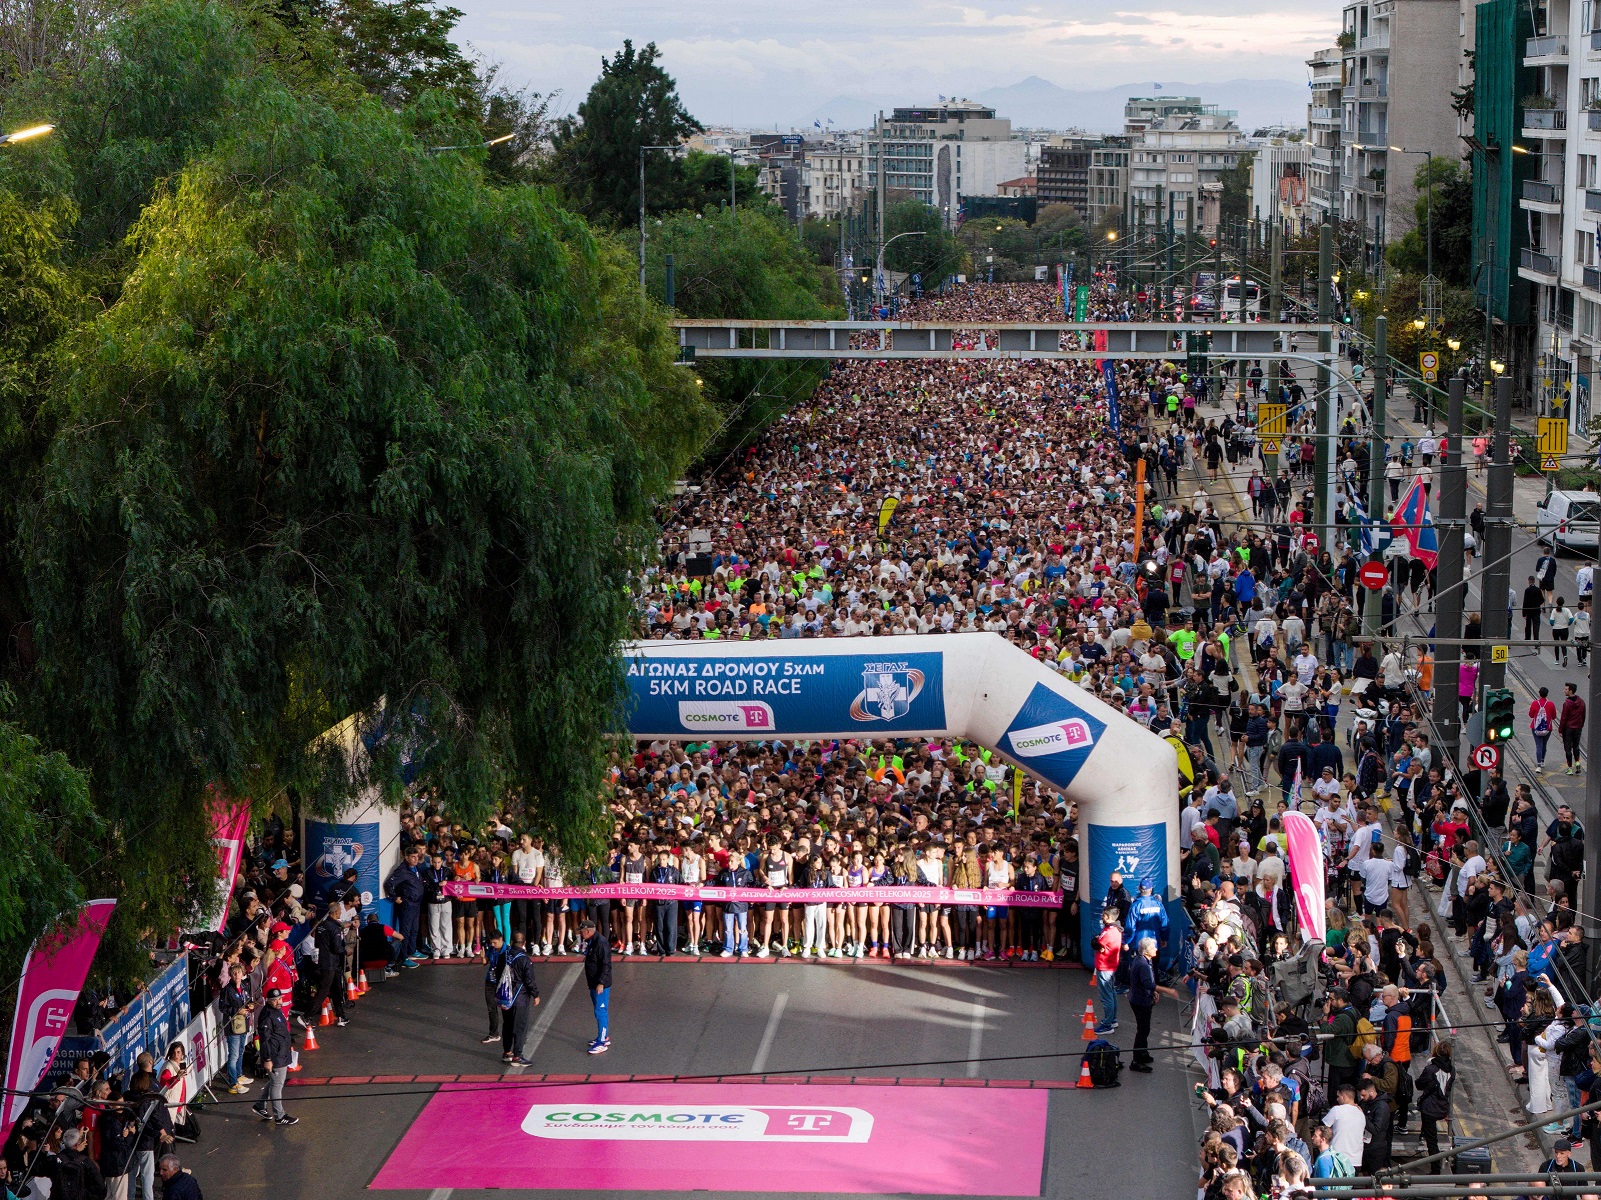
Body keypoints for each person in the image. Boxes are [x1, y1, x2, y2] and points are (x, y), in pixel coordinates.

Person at [1126, 935, 1179, 1072]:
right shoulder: (1142, 964)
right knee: (1143, 1030)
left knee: (1145, 1028)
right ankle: (1136, 1060)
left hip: (1142, 998)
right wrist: (1167, 990)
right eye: (1153, 947)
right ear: (1145, 951)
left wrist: (1154, 992)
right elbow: (1148, 983)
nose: (1156, 949)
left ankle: (1143, 1053)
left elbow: (1148, 981)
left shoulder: (1145, 960)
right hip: (1140, 1001)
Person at [492, 931, 540, 1065]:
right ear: (524, 943)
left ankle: (507, 1052)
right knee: (520, 1027)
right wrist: (535, 994)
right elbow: (529, 980)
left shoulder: (504, 955)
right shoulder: (524, 959)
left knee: (507, 1024)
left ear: (511, 942)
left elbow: (497, 973)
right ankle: (517, 1056)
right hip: (520, 998)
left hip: (505, 996)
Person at [251, 988, 297, 1126]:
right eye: (275, 1000)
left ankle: (260, 1105)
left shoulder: (276, 1011)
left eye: (280, 999)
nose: (279, 1002)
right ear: (268, 1001)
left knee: (274, 1081)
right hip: (275, 1056)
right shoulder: (267, 1016)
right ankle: (279, 1116)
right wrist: (267, 1059)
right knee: (277, 1084)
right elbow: (264, 1040)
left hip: (281, 1053)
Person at [1414, 1039, 1455, 1173]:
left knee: (1432, 1142)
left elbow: (1419, 1084)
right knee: (1430, 1133)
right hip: (1443, 1107)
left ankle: (1435, 1169)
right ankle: (1422, 1134)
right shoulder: (1451, 1070)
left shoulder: (1431, 1069)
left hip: (1430, 1108)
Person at [581, 916, 612, 1054]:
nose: (580, 933)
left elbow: (606, 965)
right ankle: (602, 1035)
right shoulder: (592, 941)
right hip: (594, 984)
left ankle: (602, 1041)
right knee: (598, 1011)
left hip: (600, 986)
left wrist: (601, 983)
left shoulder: (601, 943)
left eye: (582, 931)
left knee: (600, 1012)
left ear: (588, 931)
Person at [1092, 905, 1122, 1034]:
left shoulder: (1108, 933)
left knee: (1106, 996)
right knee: (1111, 993)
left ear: (1109, 917)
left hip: (1105, 967)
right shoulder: (1115, 929)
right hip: (1110, 966)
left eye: (1104, 915)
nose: (1102, 917)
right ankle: (1113, 1019)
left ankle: (1107, 1024)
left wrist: (1096, 941)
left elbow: (1096, 943)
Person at [1560, 681, 1586, 774]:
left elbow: (1564, 717)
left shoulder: (1567, 703)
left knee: (1568, 748)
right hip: (1578, 727)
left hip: (1568, 728)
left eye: (1566, 689)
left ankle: (1570, 768)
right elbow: (1583, 715)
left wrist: (1560, 729)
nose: (1564, 691)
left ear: (1570, 691)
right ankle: (1578, 763)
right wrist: (1580, 725)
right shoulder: (1581, 702)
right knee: (1576, 746)